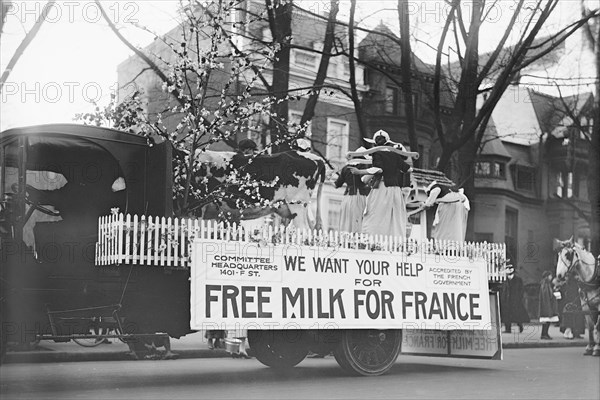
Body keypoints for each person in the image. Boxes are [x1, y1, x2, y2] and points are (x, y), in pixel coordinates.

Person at [353, 130, 413, 237]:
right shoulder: (394, 155)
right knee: (394, 217)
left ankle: (373, 241)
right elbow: (408, 169)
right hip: (395, 191)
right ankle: (395, 243)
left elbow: (379, 169)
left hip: (382, 188)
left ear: (375, 143)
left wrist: (359, 172)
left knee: (376, 214)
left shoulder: (377, 153)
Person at [335, 147, 370, 233]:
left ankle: (346, 239)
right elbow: (365, 180)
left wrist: (329, 176)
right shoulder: (362, 166)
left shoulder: (345, 168)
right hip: (359, 195)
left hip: (347, 198)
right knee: (358, 219)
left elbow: (336, 184)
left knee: (347, 219)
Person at [499, 261, 530, 333]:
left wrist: (519, 298)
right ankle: (508, 329)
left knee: (517, 315)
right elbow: (503, 290)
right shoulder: (505, 280)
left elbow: (521, 290)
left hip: (515, 301)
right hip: (507, 301)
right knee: (507, 315)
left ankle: (520, 326)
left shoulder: (518, 280)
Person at [558, 272, 585, 339]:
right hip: (571, 303)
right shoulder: (569, 284)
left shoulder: (574, 284)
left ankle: (576, 333)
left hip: (574, 303)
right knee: (570, 319)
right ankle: (570, 333)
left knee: (576, 319)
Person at [538, 270, 559, 339]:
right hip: (547, 305)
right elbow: (547, 295)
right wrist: (554, 294)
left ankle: (545, 334)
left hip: (547, 305)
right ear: (547, 276)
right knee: (546, 321)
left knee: (547, 321)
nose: (551, 277)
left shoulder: (545, 284)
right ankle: (544, 334)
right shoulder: (545, 284)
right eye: (550, 275)